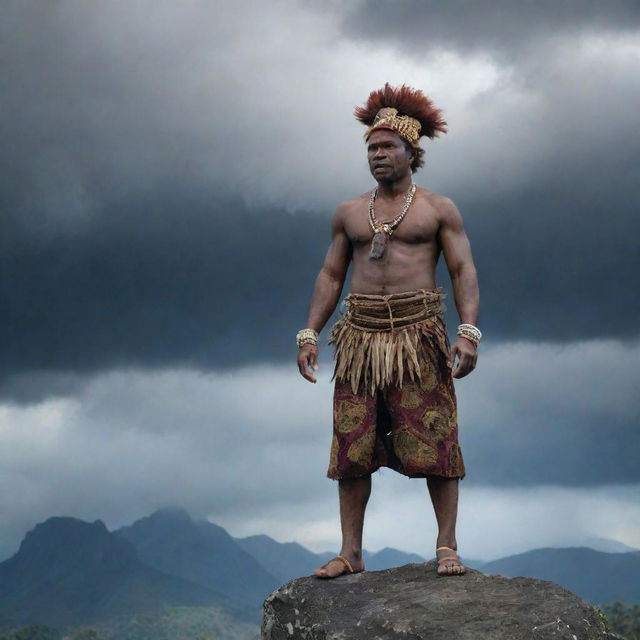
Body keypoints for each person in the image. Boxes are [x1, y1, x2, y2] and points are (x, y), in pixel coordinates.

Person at [296, 84, 480, 578]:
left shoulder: (438, 209)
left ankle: (447, 546)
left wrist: (468, 331)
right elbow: (331, 274)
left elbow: (463, 270)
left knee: (436, 440)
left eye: (387, 147)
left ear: (410, 152)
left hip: (419, 338)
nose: (378, 155)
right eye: (371, 148)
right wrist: (310, 333)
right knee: (352, 445)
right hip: (359, 340)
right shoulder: (350, 212)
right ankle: (351, 552)